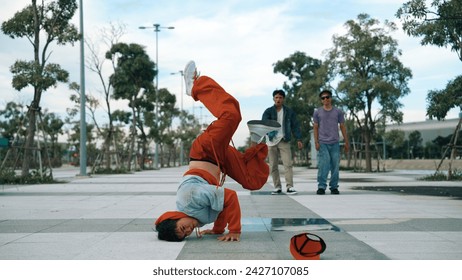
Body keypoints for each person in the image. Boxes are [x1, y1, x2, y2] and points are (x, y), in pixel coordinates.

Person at [155, 61, 280, 242]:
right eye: (186, 234)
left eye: (182, 227)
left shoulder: (189, 199)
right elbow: (219, 207)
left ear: (174, 217)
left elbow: (229, 197)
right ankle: (258, 136)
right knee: (252, 181)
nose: (188, 230)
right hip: (219, 160)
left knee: (232, 115)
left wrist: (234, 230)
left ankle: (196, 86)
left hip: (205, 151)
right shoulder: (199, 219)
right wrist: (218, 229)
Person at [262, 89, 303, 195]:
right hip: (271, 141)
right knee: (273, 165)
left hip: (284, 139)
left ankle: (290, 187)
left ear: (283, 99)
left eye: (280, 97)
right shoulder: (268, 111)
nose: (278, 99)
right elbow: (264, 124)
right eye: (276, 97)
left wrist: (299, 139)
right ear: (273, 99)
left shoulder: (289, 112)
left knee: (288, 164)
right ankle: (277, 187)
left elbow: (295, 126)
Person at [313, 89, 349, 195]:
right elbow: (315, 127)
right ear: (321, 100)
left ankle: (334, 187)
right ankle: (321, 186)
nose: (325, 99)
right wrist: (316, 141)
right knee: (324, 164)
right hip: (322, 142)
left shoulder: (338, 111)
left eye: (327, 97)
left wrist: (346, 141)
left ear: (331, 98)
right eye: (323, 98)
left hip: (335, 143)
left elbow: (342, 126)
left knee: (335, 165)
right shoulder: (317, 112)